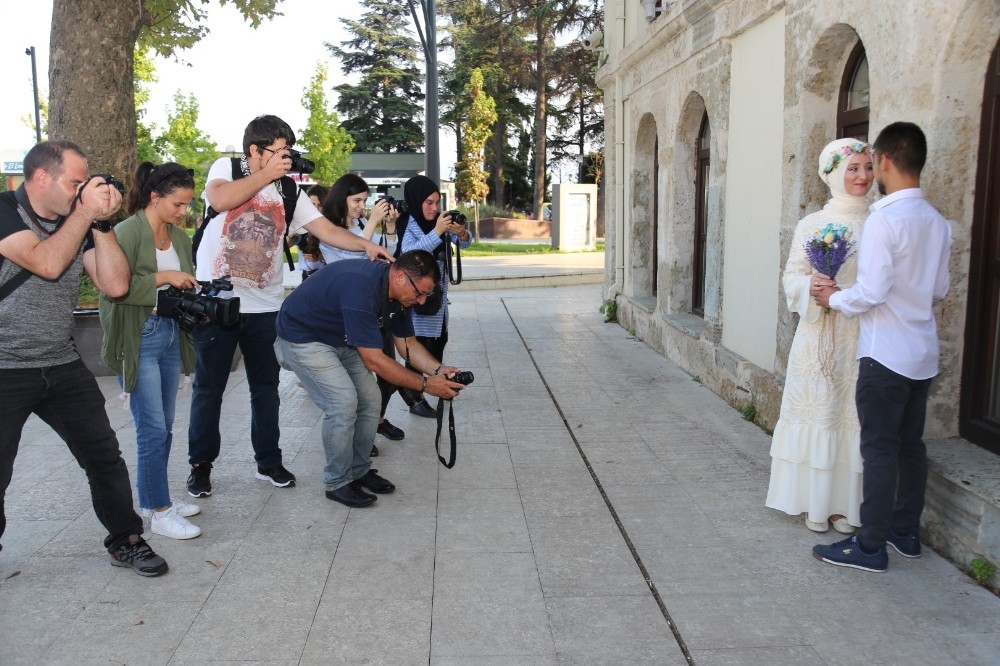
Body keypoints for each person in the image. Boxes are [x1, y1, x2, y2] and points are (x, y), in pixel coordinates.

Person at [186, 115, 393, 499]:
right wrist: (266, 174)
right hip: (217, 302)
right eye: (280, 151)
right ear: (255, 150)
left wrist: (365, 245)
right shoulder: (228, 168)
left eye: (289, 152)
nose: (287, 159)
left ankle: (269, 462)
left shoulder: (288, 190)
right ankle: (201, 466)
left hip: (265, 306)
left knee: (265, 389)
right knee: (209, 389)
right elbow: (220, 199)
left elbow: (326, 230)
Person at [0, 140, 168, 576]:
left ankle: (126, 540)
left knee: (103, 457)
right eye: (75, 183)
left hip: (60, 362)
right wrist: (82, 213)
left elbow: (114, 285)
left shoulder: (79, 223)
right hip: (4, 368)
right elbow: (47, 262)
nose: (81, 191)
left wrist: (103, 223)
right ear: (41, 177)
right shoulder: (5, 211)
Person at [812, 122, 952, 572]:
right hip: (922, 352)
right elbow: (940, 288)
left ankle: (869, 546)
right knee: (911, 445)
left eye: (873, 162)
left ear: (886, 161)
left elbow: (870, 292)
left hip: (885, 354)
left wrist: (833, 298)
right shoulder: (936, 221)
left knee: (879, 448)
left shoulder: (885, 220)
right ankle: (904, 532)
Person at [274, 250, 466, 507]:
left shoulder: (400, 296)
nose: (421, 301)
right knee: (342, 403)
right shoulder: (362, 289)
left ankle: (359, 470)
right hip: (304, 337)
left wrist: (437, 369)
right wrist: (425, 386)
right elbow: (375, 360)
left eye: (425, 295)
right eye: (420, 293)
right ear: (400, 277)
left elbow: (407, 344)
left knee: (371, 399)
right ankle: (338, 482)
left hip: (342, 339)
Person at [765, 139, 873, 534]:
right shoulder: (812, 224)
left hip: (860, 334)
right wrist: (812, 286)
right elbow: (790, 275)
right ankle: (815, 503)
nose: (863, 176)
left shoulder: (879, 221)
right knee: (820, 412)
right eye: (853, 168)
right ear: (833, 174)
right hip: (818, 334)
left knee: (851, 415)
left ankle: (846, 506)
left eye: (867, 167)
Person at [99, 162, 202, 540]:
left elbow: (182, 284)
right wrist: (163, 277)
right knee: (152, 427)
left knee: (165, 425)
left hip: (172, 333)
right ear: (155, 196)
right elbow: (113, 289)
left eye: (187, 204)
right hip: (139, 335)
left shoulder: (179, 237)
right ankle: (159, 511)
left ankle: (155, 498)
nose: (182, 212)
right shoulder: (125, 232)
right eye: (177, 204)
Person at [318, 174, 405, 453]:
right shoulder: (328, 230)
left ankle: (374, 422)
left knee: (384, 370)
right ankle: (360, 435)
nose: (361, 206)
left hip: (372, 306)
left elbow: (385, 254)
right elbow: (353, 259)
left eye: (364, 201)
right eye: (356, 200)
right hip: (346, 313)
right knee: (356, 381)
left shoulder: (360, 225)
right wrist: (371, 227)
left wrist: (389, 227)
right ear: (341, 199)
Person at [398, 175, 472, 417]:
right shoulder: (406, 222)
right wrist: (437, 231)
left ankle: (436, 387)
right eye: (428, 203)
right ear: (416, 201)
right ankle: (414, 397)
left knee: (437, 346)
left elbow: (466, 243)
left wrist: (461, 234)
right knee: (418, 351)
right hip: (416, 302)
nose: (434, 208)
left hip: (438, 302)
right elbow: (408, 252)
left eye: (436, 202)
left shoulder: (437, 223)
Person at [295, 184, 328, 281]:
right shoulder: (299, 223)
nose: (316, 209)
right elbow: (283, 247)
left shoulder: (331, 226)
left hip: (326, 276)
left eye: (320, 205)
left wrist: (321, 256)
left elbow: (342, 253)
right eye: (312, 205)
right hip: (306, 277)